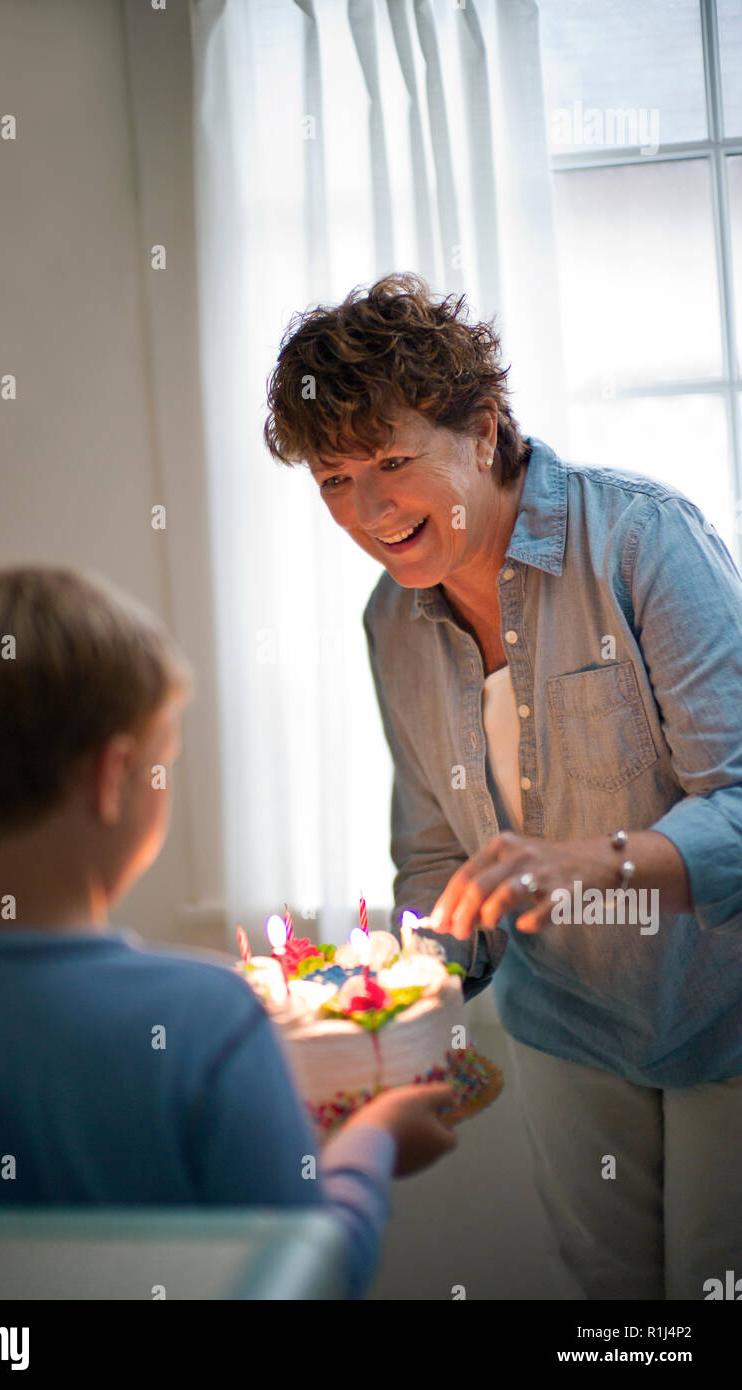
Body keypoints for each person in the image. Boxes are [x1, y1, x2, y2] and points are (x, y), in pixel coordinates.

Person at [263, 271, 742, 1301]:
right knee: (606, 1292)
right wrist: (382, 1021)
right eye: (335, 479)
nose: (370, 509)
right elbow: (438, 862)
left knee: (713, 1283)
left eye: (392, 461)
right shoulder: (391, 623)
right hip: (565, 1017)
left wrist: (578, 865)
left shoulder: (640, 541)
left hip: (725, 1006)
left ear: (483, 430)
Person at [0, 565, 458, 1301]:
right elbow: (308, 1276)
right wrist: (371, 1141)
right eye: (163, 764)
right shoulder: (207, 1017)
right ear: (116, 775)